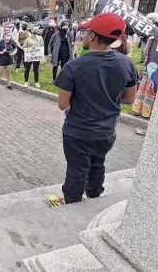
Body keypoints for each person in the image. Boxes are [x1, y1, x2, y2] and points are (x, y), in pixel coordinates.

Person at [52, 13, 138, 205]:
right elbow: (129, 99)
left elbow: (62, 104)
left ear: (92, 36)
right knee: (97, 165)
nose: (83, 35)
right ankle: (93, 196)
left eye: (86, 32)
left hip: (78, 132)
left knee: (76, 170)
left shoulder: (74, 67)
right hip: (106, 131)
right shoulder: (126, 64)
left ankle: (71, 202)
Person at [132, 12, 158, 119]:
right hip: (149, 67)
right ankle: (139, 110)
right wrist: (148, 42)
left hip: (157, 69)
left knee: (153, 90)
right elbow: (144, 53)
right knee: (144, 89)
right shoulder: (152, 39)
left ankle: (149, 113)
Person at [0, 26, 18, 90]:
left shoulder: (12, 41)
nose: (8, 37)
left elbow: (16, 49)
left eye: (9, 35)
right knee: (0, 73)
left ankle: (9, 84)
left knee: (8, 73)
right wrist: (1, 52)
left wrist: (13, 53)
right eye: (7, 35)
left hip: (9, 59)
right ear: (4, 36)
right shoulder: (0, 42)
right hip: (1, 59)